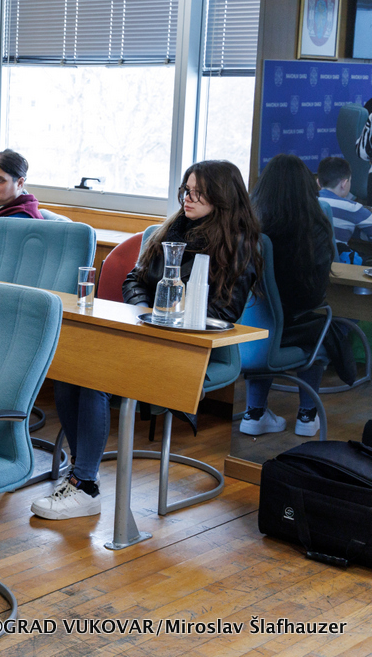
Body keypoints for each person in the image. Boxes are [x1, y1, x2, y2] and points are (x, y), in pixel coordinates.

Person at [32, 160, 261, 520]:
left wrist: (166, 309)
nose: (188, 199)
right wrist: (144, 310)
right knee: (70, 370)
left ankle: (84, 485)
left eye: (198, 193)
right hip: (143, 332)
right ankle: (81, 475)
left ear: (222, 196)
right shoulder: (172, 230)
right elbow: (133, 280)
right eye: (186, 190)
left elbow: (223, 312)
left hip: (189, 347)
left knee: (94, 379)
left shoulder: (238, 246)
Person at [242, 154, 336, 437]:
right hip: (283, 332)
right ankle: (307, 416)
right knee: (322, 327)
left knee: (266, 322)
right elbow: (313, 297)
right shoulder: (315, 229)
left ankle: (254, 413)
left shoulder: (247, 228)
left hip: (238, 337)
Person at [317, 156, 372, 263]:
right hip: (336, 267)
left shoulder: (307, 201)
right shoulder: (352, 208)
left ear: (318, 182)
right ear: (344, 183)